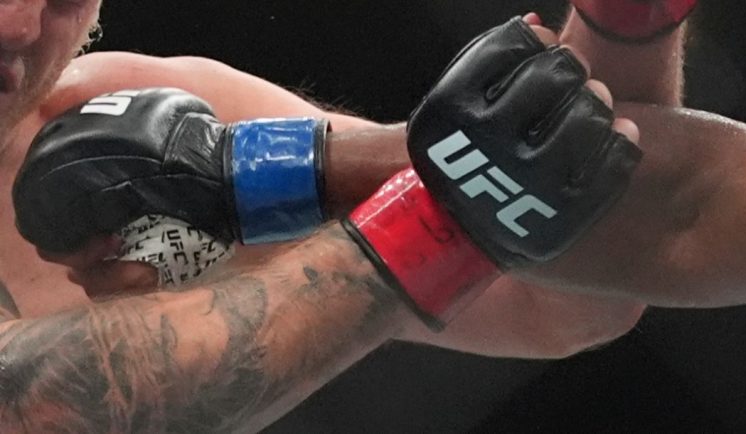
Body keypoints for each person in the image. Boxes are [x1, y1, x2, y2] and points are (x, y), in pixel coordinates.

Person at [2, 15, 644, 431]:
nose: (19, 24)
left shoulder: (126, 113)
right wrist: (434, 197)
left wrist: (627, 27)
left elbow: (568, 300)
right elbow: (33, 404)